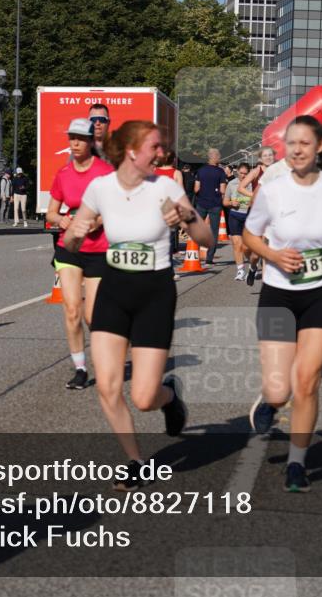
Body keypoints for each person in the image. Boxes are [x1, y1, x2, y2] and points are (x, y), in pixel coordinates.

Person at [62, 120, 213, 491]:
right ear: (132, 151)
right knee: (108, 387)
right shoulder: (101, 189)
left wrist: (187, 217)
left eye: (160, 148)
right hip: (114, 290)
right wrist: (74, 235)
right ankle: (134, 460)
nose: (161, 154)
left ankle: (169, 397)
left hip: (154, 293)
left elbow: (206, 238)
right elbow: (69, 242)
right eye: (155, 147)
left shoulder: (165, 187)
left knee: (144, 397)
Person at [243, 115, 322, 492]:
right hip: (278, 294)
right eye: (291, 143)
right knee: (281, 388)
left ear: (319, 148)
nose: (296, 149)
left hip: (321, 294)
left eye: (304, 143)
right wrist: (272, 255)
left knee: (307, 382)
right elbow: (250, 236)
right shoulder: (272, 190)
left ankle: (297, 463)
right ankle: (270, 401)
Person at [47, 118, 114, 390]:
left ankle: (109, 354)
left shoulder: (104, 172)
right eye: (71, 138)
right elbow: (51, 211)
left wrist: (96, 222)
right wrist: (60, 221)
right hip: (69, 248)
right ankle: (80, 369)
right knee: (72, 309)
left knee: (92, 316)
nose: (74, 143)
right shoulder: (63, 174)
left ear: (90, 142)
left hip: (98, 250)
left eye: (80, 138)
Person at [239, 147, 277, 285]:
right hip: (255, 211)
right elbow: (241, 187)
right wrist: (255, 195)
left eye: (270, 155)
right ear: (261, 158)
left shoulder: (278, 172)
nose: (268, 158)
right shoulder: (257, 171)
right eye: (265, 155)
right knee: (250, 251)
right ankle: (253, 267)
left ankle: (267, 283)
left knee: (265, 246)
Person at [194, 148, 227, 266]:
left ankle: (194, 255)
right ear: (215, 157)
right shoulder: (220, 172)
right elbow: (223, 189)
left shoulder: (200, 170)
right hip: (215, 204)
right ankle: (209, 257)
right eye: (219, 156)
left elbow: (196, 188)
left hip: (201, 203)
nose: (220, 158)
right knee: (214, 231)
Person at [154, 148, 184, 275]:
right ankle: (169, 271)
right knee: (169, 242)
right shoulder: (176, 173)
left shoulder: (154, 171)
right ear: (174, 160)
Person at [223, 162, 253, 281]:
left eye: (246, 174)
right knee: (237, 244)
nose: (243, 176)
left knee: (246, 247)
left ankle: (252, 265)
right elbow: (225, 202)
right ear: (237, 172)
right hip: (235, 215)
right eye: (241, 173)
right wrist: (231, 203)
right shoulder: (231, 184)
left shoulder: (252, 184)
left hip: (249, 216)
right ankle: (240, 270)